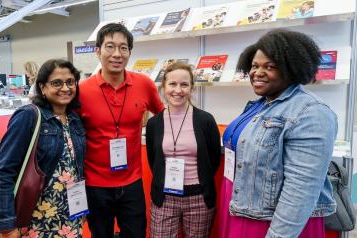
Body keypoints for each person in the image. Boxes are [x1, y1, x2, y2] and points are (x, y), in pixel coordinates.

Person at [219, 29, 337, 238]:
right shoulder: (262, 104)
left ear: (292, 68)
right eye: (254, 66)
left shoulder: (311, 112)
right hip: (242, 207)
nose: (257, 72)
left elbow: (300, 191)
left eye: (270, 66)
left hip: (272, 222)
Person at [78, 23, 164, 238]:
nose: (117, 54)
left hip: (132, 182)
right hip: (95, 184)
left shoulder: (144, 84)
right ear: (97, 51)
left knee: (136, 234)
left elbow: (164, 117)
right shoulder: (81, 91)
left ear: (129, 53)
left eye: (123, 48)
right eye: (110, 46)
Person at [0, 59, 87, 238]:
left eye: (70, 82)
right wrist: (6, 225)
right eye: (57, 83)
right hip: (34, 221)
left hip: (70, 219)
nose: (65, 88)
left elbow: (76, 170)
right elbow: (4, 171)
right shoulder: (29, 116)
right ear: (43, 88)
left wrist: (81, 209)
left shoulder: (75, 121)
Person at [146, 62, 221, 238]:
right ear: (164, 86)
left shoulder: (206, 120)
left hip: (198, 198)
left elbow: (213, 160)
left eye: (184, 84)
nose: (178, 90)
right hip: (164, 197)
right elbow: (153, 159)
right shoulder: (154, 123)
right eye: (172, 84)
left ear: (192, 88)